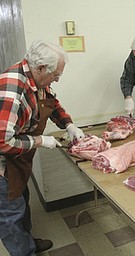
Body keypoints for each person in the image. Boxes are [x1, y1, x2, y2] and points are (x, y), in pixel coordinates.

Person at [0, 40, 85, 256]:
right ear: (40, 68)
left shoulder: (36, 80)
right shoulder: (12, 89)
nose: (56, 80)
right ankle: (23, 251)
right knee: (11, 215)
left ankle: (27, 241)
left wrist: (68, 124)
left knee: (22, 201)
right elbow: (2, 141)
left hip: (18, 159)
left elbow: (52, 103)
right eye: (55, 76)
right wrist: (39, 141)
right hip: (2, 166)